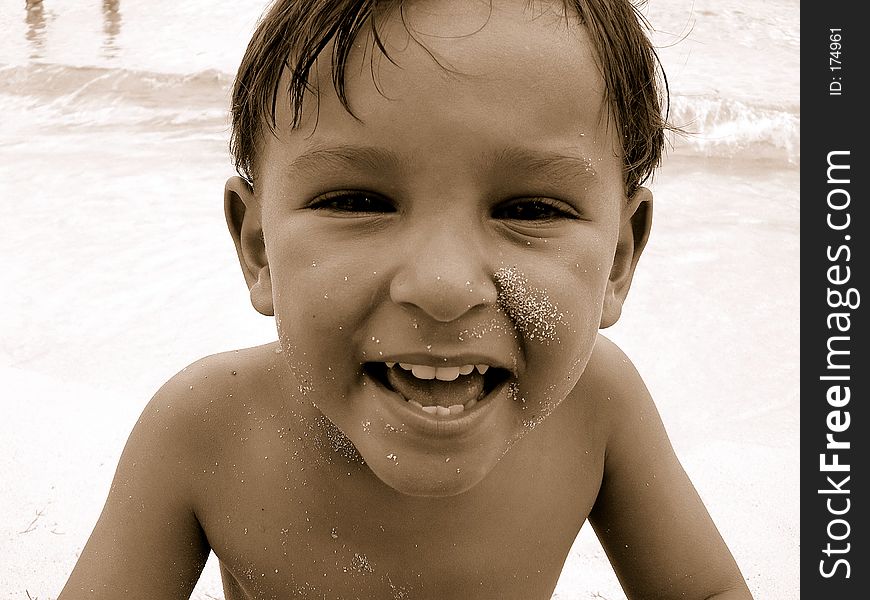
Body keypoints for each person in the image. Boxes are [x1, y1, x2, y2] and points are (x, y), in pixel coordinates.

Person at [58, 0, 754, 598]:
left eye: (532, 209)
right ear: (260, 246)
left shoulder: (600, 408)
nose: (444, 287)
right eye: (358, 201)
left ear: (618, 261)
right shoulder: (206, 428)